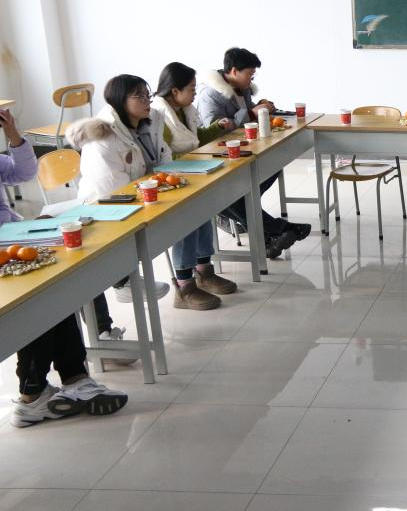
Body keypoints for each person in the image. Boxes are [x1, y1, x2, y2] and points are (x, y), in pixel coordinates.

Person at [3, 108, 129, 428]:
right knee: (36, 304)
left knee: (56, 293)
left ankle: (74, 379)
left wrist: (14, 136)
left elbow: (24, 172)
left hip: (13, 240)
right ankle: (32, 394)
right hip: (8, 247)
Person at [69, 74, 227, 309]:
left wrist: (167, 186)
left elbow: (164, 160)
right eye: (139, 96)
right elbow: (114, 191)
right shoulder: (102, 138)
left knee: (197, 201)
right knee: (183, 213)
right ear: (120, 100)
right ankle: (183, 286)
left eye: (147, 95)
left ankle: (204, 270)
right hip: (108, 208)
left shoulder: (151, 122)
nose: (147, 101)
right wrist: (161, 191)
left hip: (147, 194)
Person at [196, 47, 310, 257]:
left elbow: (247, 118)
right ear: (233, 71)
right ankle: (279, 229)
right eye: (249, 74)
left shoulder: (244, 88)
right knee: (238, 196)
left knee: (272, 165)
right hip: (220, 156)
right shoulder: (210, 95)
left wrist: (262, 108)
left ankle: (265, 234)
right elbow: (214, 130)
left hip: (245, 148)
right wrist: (250, 112)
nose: (251, 79)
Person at [152, 62, 240, 306]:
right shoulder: (159, 116)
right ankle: (184, 287)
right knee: (185, 227)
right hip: (174, 179)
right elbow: (163, 156)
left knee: (203, 219)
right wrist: (192, 161)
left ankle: (204, 272)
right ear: (175, 91)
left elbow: (194, 139)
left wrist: (215, 128)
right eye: (191, 88)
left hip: (193, 174)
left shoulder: (184, 109)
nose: (195, 92)